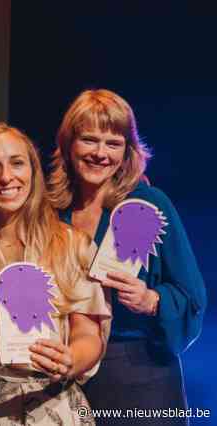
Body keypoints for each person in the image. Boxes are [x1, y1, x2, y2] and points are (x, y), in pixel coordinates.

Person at [47, 89, 206, 425]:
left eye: (113, 143)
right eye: (89, 140)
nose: (100, 153)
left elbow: (193, 297)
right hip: (64, 373)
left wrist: (152, 299)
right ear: (68, 143)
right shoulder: (50, 209)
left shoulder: (150, 203)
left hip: (139, 373)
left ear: (128, 150)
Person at [0, 123, 110, 425]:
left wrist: (71, 359)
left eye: (17, 163)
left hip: (53, 402)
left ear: (34, 171)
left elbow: (89, 334)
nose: (7, 177)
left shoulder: (72, 245)